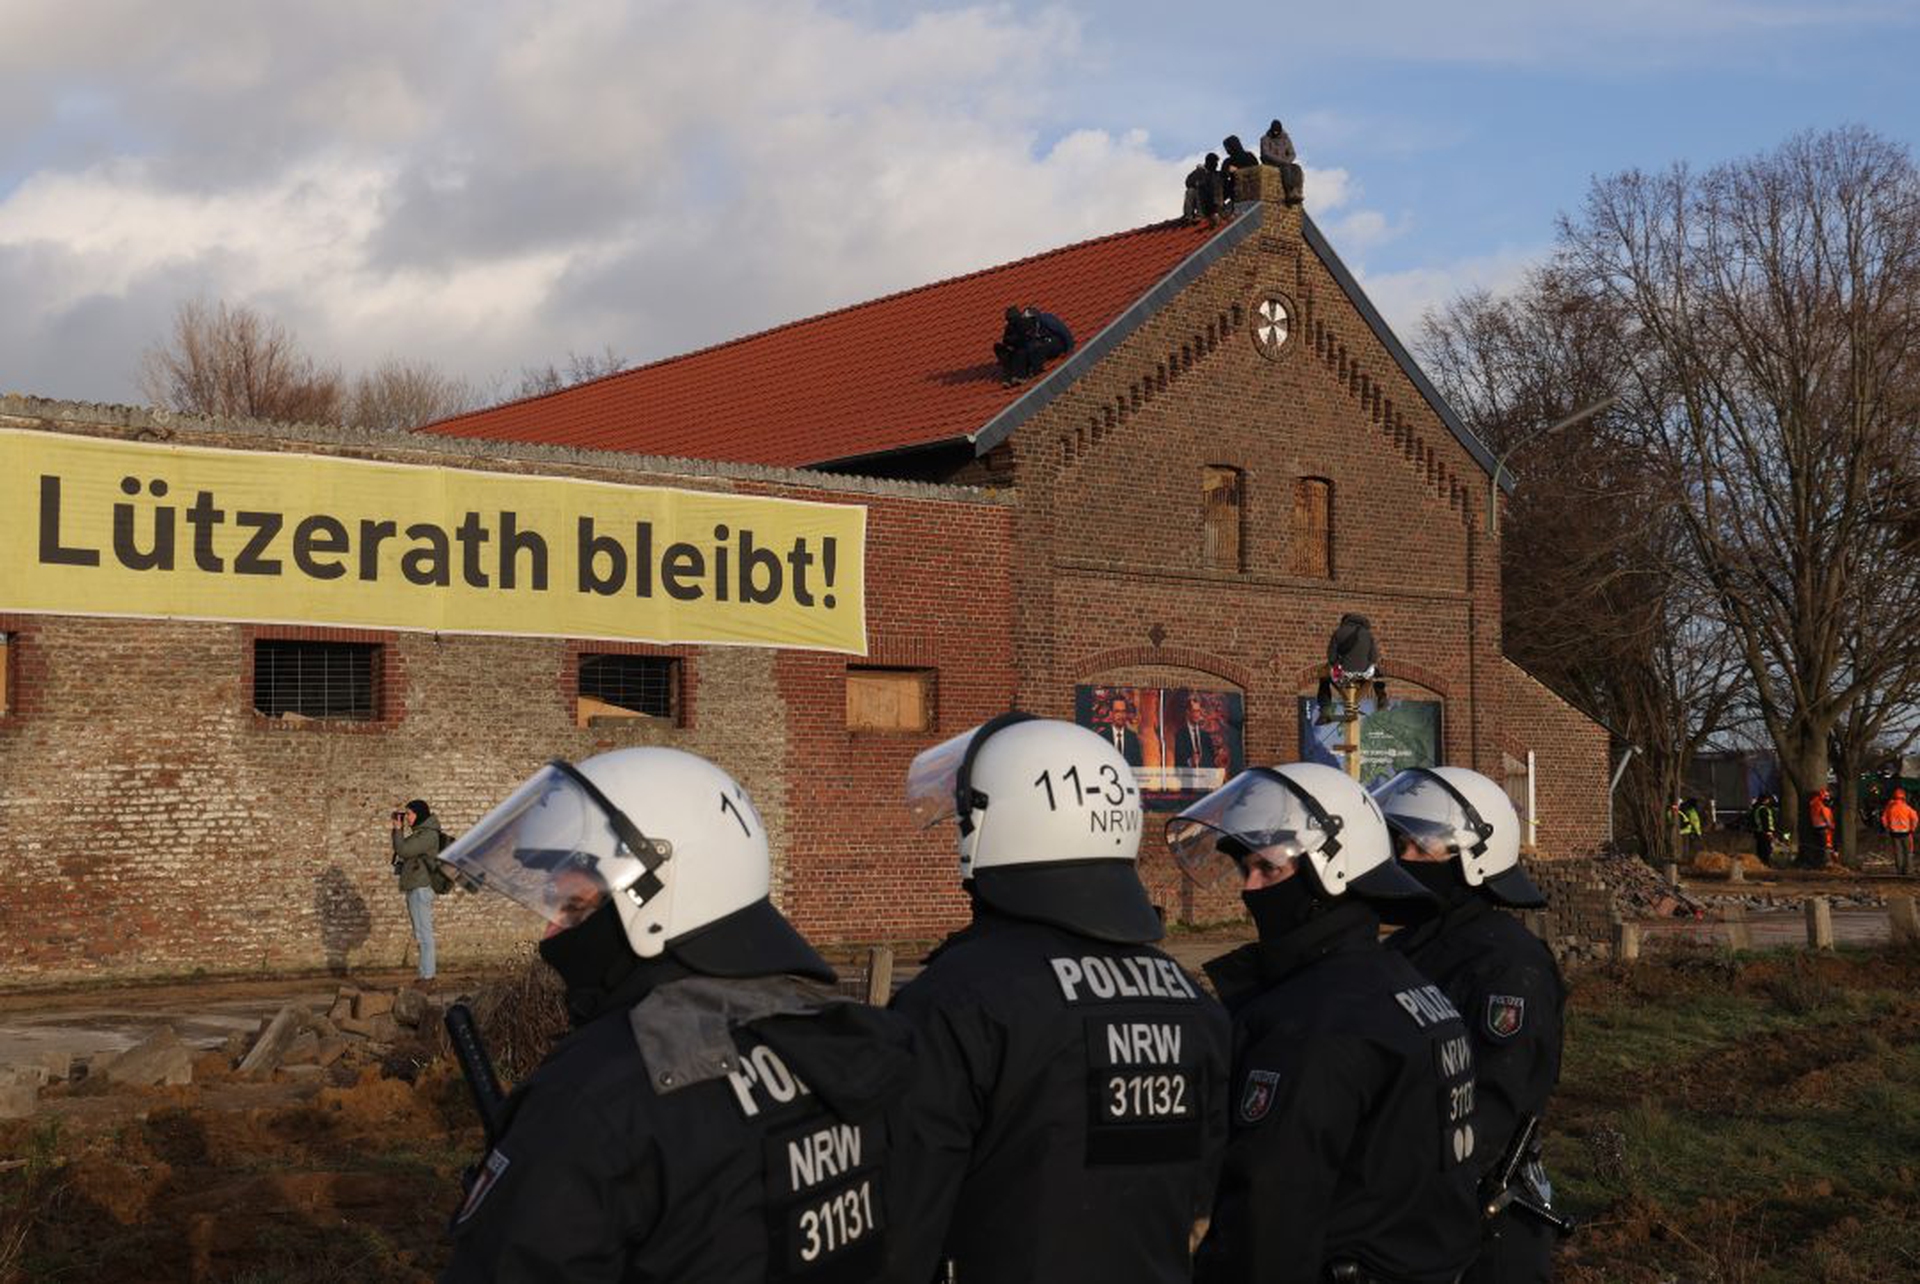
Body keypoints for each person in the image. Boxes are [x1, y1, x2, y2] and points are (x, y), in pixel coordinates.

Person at [439, 748, 917, 1281]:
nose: (551, 932)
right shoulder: (860, 1042)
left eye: (572, 905)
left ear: (656, 900)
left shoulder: (597, 1096)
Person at [888, 713, 1230, 1283]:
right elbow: (1198, 1194)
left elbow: (901, 1214)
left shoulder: (956, 1000)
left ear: (993, 827)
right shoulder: (1191, 999)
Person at [1169, 762, 1481, 1284]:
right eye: (1245, 869)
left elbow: (1268, 1220)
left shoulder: (1314, 1021)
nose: (1249, 888)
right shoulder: (1405, 986)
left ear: (1330, 873)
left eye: (1268, 869)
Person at [1375, 767, 1569, 1283]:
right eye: (1399, 845)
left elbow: (1494, 1104)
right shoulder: (1406, 946)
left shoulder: (1507, 963)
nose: (1404, 859)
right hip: (1410, 1204)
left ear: (1475, 857)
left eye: (1420, 848)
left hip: (1483, 1222)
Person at [390, 799, 444, 986]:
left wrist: (398, 830)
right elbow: (402, 850)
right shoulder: (420, 833)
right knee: (421, 933)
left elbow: (404, 850)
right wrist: (398, 831)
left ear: (419, 814)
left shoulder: (428, 835)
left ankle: (428, 977)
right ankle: (424, 975)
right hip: (416, 886)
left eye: (410, 814)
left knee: (424, 934)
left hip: (421, 888)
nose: (407, 818)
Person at [1259, 120, 1305, 205]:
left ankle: (1297, 190)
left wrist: (1288, 160)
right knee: (1286, 168)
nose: (1276, 133)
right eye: (1274, 131)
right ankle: (1289, 191)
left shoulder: (1286, 139)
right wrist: (1282, 161)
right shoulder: (1265, 139)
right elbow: (1265, 153)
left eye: (1277, 131)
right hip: (1271, 162)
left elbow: (1292, 153)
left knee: (1297, 168)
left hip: (1285, 162)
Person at [1174, 693, 1220, 772]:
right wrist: (1190, 762)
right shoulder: (1180, 735)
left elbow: (1211, 761)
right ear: (1188, 712)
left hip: (1205, 777)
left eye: (1199, 711)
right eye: (1195, 711)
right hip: (1188, 777)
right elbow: (1177, 764)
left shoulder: (1206, 736)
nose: (1198, 714)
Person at [1102, 692, 1146, 768]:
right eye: (1117, 711)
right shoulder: (1103, 737)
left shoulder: (1133, 738)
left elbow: (1138, 766)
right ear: (1111, 713)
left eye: (1123, 711)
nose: (1121, 715)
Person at [993, 305, 1034, 385]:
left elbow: (1024, 338)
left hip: (1025, 349)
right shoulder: (1009, 327)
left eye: (1011, 319)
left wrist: (1013, 341)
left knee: (1020, 352)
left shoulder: (1024, 324)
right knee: (999, 348)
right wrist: (1009, 344)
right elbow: (1006, 339)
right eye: (1009, 319)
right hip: (1014, 348)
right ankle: (1009, 376)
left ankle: (1020, 376)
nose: (1010, 321)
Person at [1220, 135, 1261, 209]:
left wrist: (1237, 170)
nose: (1226, 150)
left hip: (1246, 189)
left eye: (1227, 147)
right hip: (1240, 190)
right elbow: (1222, 176)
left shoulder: (1248, 156)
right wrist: (1227, 171)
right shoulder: (1228, 161)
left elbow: (1256, 170)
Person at [1883, 786, 1917, 875]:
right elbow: (1915, 818)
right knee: (1908, 851)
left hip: (1894, 833)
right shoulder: (1907, 807)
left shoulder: (1890, 807)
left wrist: (1887, 827)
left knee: (1898, 852)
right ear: (1904, 797)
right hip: (1906, 832)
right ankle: (1908, 870)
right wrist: (1912, 828)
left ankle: (1899, 870)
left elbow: (1884, 818)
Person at [1184, 152, 1225, 225]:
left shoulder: (1217, 175)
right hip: (1201, 203)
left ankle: (1203, 214)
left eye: (1216, 162)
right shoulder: (1199, 172)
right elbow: (1189, 182)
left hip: (1213, 204)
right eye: (1214, 162)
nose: (1216, 164)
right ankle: (1189, 216)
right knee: (1191, 191)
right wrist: (1199, 174)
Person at [1749, 792, 1778, 867]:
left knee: (1761, 849)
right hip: (1765, 832)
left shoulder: (1756, 809)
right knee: (1766, 850)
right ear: (1765, 800)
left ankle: (1762, 864)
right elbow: (1766, 822)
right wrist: (1769, 832)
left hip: (1759, 832)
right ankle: (1766, 864)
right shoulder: (1764, 810)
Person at [1672, 796, 1704, 864]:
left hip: (1681, 831)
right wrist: (1698, 834)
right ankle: (1686, 861)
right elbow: (1695, 823)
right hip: (1688, 831)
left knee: (1681, 847)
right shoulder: (1691, 811)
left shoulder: (1682, 808)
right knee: (1688, 848)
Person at [1808, 786, 1836, 862]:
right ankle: (1824, 861)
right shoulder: (1822, 805)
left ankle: (1817, 860)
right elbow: (1826, 817)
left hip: (1815, 826)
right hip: (1823, 827)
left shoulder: (1814, 803)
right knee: (1825, 846)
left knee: (1818, 845)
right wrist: (1831, 826)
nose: (1828, 797)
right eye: (1827, 796)